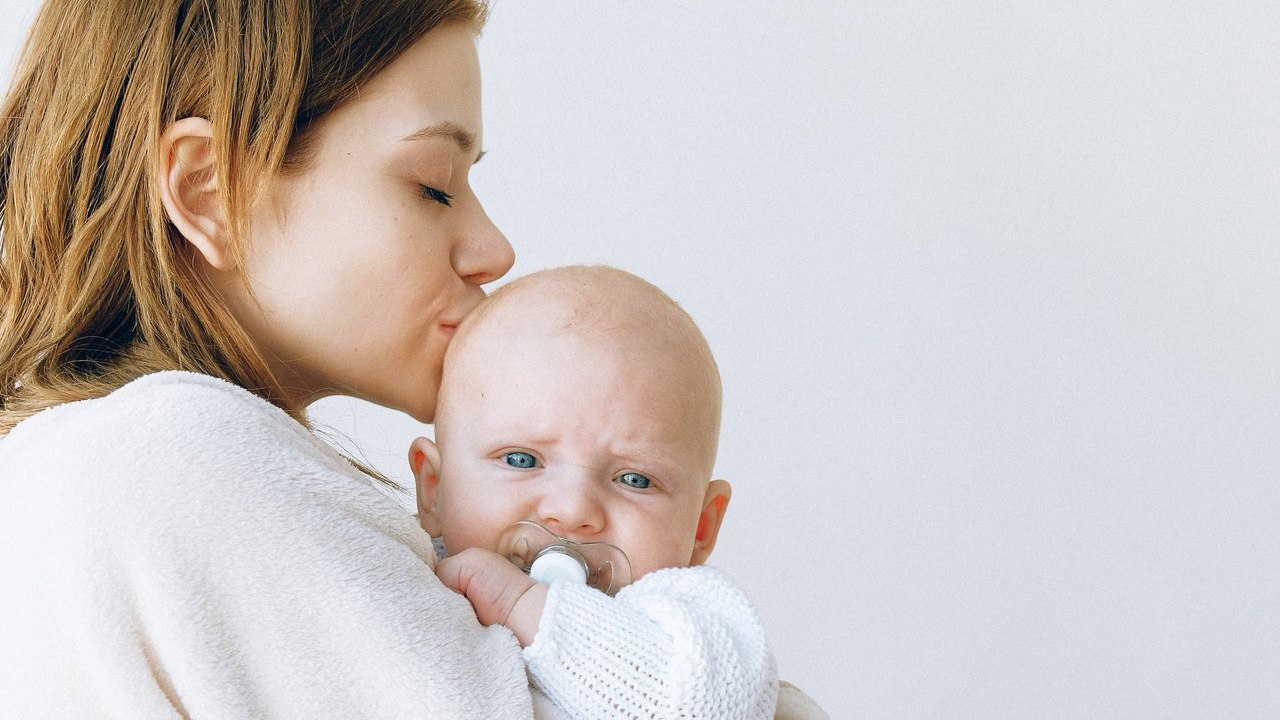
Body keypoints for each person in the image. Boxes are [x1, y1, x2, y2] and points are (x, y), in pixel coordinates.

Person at [0, 1, 538, 717]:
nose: (494, 250)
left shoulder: (77, 460)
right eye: (433, 185)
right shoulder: (178, 457)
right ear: (209, 193)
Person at [408, 265, 781, 719]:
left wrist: (521, 604)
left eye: (634, 480)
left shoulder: (693, 619)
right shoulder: (403, 572)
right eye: (521, 460)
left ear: (702, 526)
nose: (572, 510)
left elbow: (700, 706)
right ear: (433, 489)